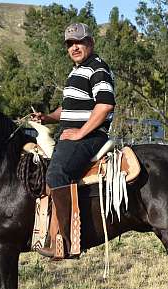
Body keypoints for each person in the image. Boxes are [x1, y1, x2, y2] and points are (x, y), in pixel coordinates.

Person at [32, 22, 116, 259]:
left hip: (90, 137)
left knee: (57, 174)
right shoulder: (76, 71)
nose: (74, 47)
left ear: (90, 42)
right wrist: (48, 117)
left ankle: (68, 242)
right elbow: (68, 109)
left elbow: (105, 105)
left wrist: (81, 133)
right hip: (72, 136)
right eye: (70, 44)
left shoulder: (97, 68)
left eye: (79, 42)